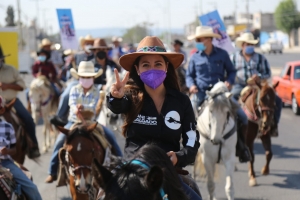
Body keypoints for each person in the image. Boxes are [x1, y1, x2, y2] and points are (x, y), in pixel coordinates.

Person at [107, 36, 202, 199]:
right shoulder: (129, 98)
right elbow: (117, 106)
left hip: (167, 173)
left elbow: (191, 140)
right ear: (137, 69)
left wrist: (178, 157)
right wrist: (115, 97)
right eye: (146, 65)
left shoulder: (182, 101)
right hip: (133, 171)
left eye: (158, 64)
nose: (152, 69)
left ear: (166, 67)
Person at [45, 61, 122, 183]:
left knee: (111, 136)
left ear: (93, 78)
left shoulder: (97, 91)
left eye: (89, 77)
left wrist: (84, 108)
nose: (86, 79)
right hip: (74, 121)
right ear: (79, 77)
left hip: (91, 122)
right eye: (84, 77)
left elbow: (94, 107)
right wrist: (76, 108)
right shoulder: (74, 89)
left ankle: (121, 167)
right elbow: (72, 103)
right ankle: (52, 172)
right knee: (59, 141)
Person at [186, 26, 250, 162]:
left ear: (209, 39)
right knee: (186, 116)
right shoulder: (194, 57)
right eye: (196, 39)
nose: (197, 42)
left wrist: (230, 81)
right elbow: (189, 75)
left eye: (199, 39)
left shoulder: (222, 54)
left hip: (220, 94)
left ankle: (242, 148)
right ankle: (189, 149)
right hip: (201, 93)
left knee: (242, 117)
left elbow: (232, 71)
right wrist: (191, 85)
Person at [231, 32, 282, 136]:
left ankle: (274, 125)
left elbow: (267, 72)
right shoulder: (234, 58)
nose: (250, 46)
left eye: (252, 44)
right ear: (242, 45)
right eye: (247, 44)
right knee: (229, 101)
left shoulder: (260, 58)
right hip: (240, 85)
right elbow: (229, 72)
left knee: (277, 100)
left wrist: (259, 76)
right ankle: (232, 127)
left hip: (258, 86)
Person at [0, 96, 42, 200]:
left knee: (32, 188)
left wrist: (7, 151)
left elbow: (14, 150)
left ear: (1, 109)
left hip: (5, 163)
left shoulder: (7, 127)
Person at [0, 52, 40, 158]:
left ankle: (33, 147)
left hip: (11, 101)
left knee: (28, 119)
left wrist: (7, 85)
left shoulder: (11, 69)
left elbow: (22, 86)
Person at [50, 35, 95, 123]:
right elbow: (70, 70)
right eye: (87, 43)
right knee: (65, 95)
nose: (89, 45)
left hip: (92, 81)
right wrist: (70, 63)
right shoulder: (77, 56)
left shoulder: (96, 56)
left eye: (91, 43)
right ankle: (60, 117)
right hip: (77, 80)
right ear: (83, 45)